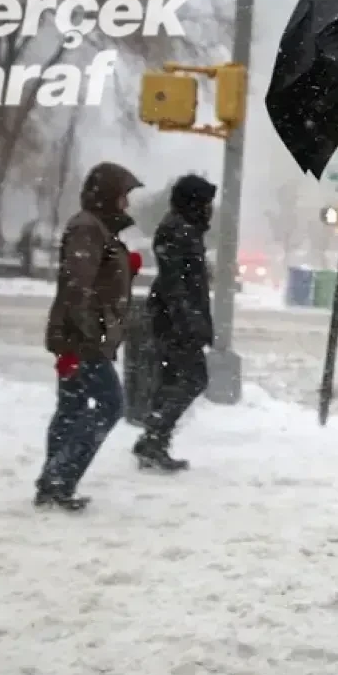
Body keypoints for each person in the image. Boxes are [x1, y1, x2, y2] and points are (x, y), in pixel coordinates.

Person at [37, 162, 144, 511]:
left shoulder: (96, 228)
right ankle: (58, 478)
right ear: (109, 195)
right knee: (111, 405)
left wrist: (125, 269)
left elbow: (95, 279)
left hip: (80, 337)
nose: (126, 204)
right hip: (83, 339)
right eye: (123, 195)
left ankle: (53, 484)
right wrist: (82, 342)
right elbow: (77, 286)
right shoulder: (87, 228)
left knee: (71, 407)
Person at [133, 174, 216, 472]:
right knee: (194, 379)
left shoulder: (183, 229)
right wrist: (190, 321)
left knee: (171, 382)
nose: (210, 210)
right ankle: (154, 436)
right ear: (194, 203)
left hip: (176, 318)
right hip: (177, 321)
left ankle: (153, 441)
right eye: (206, 203)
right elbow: (175, 284)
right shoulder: (178, 231)